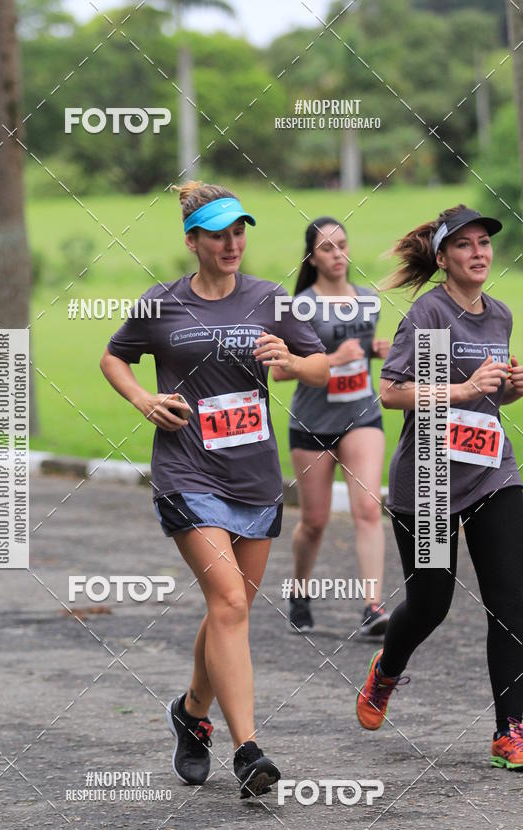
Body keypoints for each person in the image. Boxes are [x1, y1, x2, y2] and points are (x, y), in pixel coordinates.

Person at [100, 181, 329, 798]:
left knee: (231, 609)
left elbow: (322, 366)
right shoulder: (163, 303)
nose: (232, 244)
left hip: (254, 476)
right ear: (192, 240)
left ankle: (191, 712)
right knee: (228, 601)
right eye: (219, 234)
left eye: (239, 231)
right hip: (187, 472)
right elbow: (113, 357)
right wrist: (143, 397)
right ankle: (248, 750)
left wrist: (290, 361)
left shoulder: (272, 299)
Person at [356, 204, 523, 770]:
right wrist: (465, 387)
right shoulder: (429, 314)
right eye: (465, 245)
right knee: (431, 603)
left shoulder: (498, 316)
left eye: (485, 243)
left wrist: (509, 390)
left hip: (491, 472)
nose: (479, 253)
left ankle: (511, 731)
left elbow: (487, 398)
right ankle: (386, 669)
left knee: (511, 602)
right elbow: (396, 392)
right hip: (429, 475)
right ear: (444, 258)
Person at [273, 217, 391, 637]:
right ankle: (300, 592)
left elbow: (362, 352)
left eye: (342, 245)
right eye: (327, 248)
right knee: (315, 521)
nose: (337, 254)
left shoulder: (368, 299)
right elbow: (281, 373)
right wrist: (334, 361)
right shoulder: (299, 306)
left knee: (367, 509)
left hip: (362, 416)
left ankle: (373, 606)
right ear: (312, 257)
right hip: (312, 425)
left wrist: (378, 352)